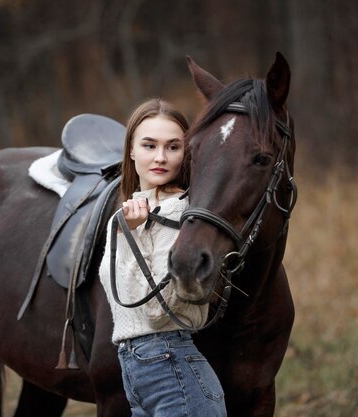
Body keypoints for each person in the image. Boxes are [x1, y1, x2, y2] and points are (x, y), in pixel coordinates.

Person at [99, 98, 227, 417]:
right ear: (130, 150)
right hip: (137, 373)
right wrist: (130, 229)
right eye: (149, 145)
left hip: (173, 368)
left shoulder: (180, 213)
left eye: (173, 147)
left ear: (186, 153)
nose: (160, 157)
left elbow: (158, 311)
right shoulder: (132, 211)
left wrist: (135, 236)